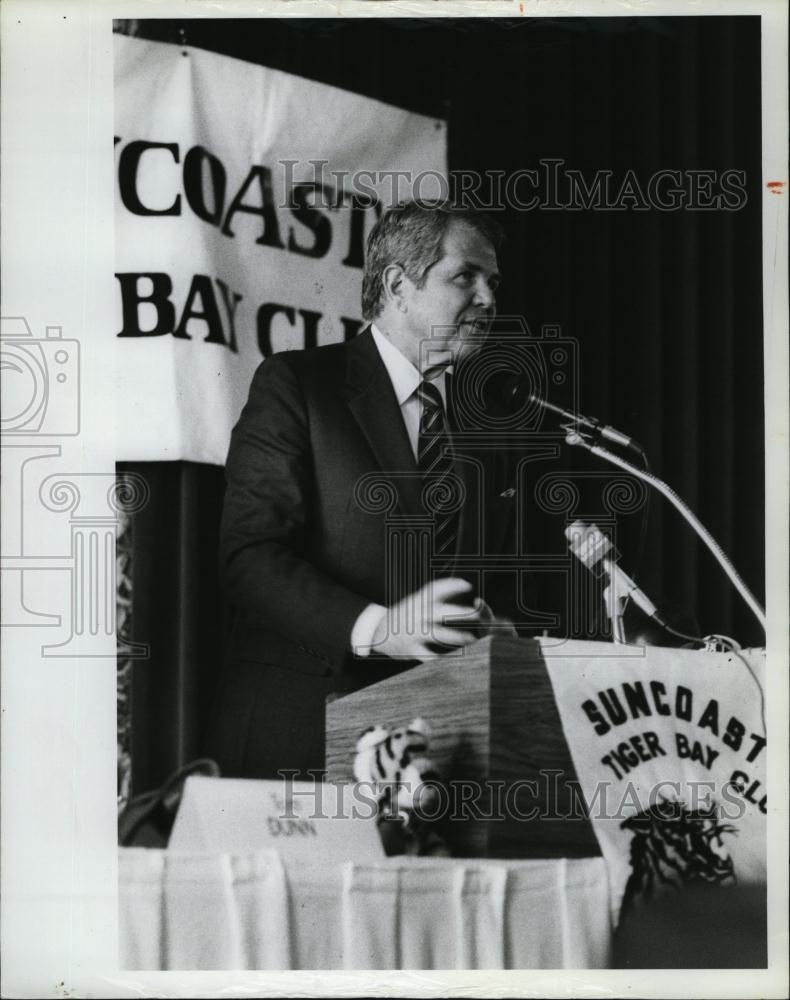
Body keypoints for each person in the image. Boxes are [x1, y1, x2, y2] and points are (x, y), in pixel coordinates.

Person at [205, 201, 521, 779]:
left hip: (442, 753)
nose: (488, 299)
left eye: (492, 282)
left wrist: (495, 629)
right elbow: (249, 558)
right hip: (303, 740)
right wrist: (379, 629)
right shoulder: (298, 386)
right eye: (465, 277)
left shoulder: (488, 429)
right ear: (399, 285)